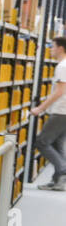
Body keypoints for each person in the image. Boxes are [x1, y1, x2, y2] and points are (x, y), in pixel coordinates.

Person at [31, 35, 66, 191]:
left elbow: (60, 92)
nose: (51, 50)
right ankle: (59, 181)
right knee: (57, 145)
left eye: (52, 46)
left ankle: (63, 170)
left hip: (61, 111)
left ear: (60, 48)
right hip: (63, 111)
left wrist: (40, 108)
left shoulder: (62, 66)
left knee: (42, 142)